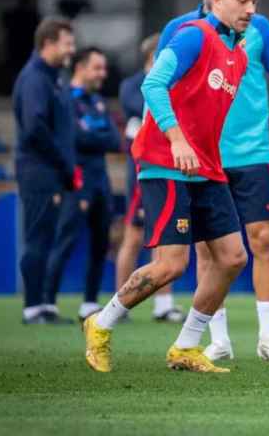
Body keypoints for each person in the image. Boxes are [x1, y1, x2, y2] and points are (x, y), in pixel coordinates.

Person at [82, 0, 258, 373]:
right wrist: (177, 138)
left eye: (254, 1)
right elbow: (152, 85)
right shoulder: (192, 37)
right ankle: (101, 323)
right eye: (242, 0)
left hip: (207, 168)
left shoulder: (238, 56)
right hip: (166, 163)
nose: (250, 9)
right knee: (172, 265)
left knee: (233, 258)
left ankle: (186, 346)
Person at [157, 0, 269, 363]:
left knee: (262, 239)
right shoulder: (181, 29)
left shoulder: (258, 28)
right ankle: (218, 339)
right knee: (210, 252)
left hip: (251, 151)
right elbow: (158, 87)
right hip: (201, 154)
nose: (241, 3)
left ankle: (268, 337)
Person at [45, 47, 120, 321]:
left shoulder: (98, 101)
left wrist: (92, 136)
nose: (103, 73)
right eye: (97, 68)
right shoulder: (65, 99)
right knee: (65, 240)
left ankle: (89, 302)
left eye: (104, 68)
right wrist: (93, 137)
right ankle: (48, 303)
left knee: (101, 242)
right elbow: (73, 138)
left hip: (101, 179)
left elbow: (114, 140)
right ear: (80, 68)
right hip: (76, 180)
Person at [12, 17, 79, 324]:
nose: (72, 49)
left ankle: (43, 306)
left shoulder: (53, 77)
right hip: (39, 171)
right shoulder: (34, 78)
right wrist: (63, 162)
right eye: (67, 43)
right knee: (37, 237)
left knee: (46, 236)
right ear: (48, 43)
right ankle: (33, 307)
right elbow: (34, 128)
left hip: (51, 170)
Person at [117, 34, 182, 323]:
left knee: (164, 235)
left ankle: (163, 303)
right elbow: (141, 108)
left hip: (167, 162)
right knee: (133, 234)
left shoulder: (172, 82)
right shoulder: (134, 85)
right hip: (143, 166)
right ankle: (119, 303)